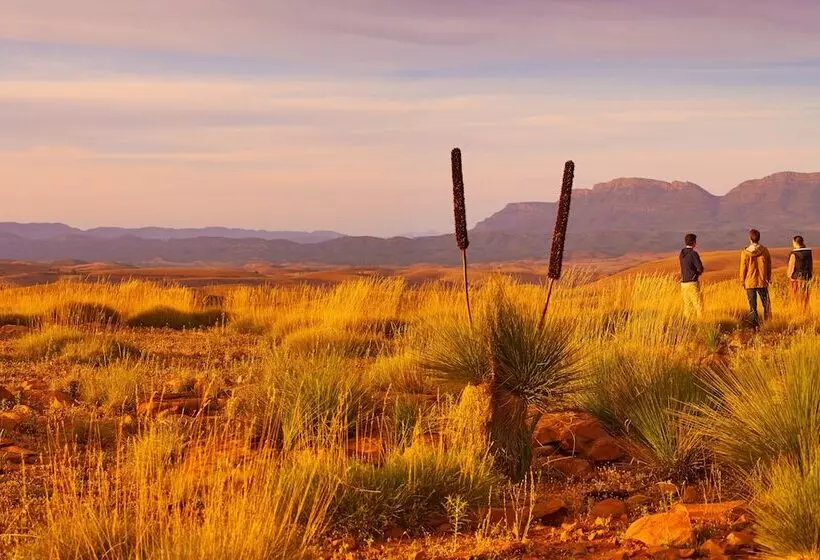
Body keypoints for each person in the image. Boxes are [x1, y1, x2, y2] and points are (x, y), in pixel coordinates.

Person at [739, 229, 772, 327]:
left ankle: (754, 327)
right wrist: (768, 278)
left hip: (749, 282)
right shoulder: (764, 250)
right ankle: (768, 324)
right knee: (767, 305)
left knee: (752, 307)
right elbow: (769, 266)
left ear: (750, 238)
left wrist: (742, 281)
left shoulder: (745, 252)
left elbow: (742, 268)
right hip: (762, 281)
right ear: (759, 238)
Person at [679, 233, 704, 318]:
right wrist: (697, 274)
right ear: (694, 242)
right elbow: (700, 268)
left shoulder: (682, 254)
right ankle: (701, 323)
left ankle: (688, 324)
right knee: (698, 304)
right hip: (692, 282)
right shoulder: (693, 254)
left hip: (683, 282)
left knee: (687, 305)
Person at [787, 235, 813, 312]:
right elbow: (811, 265)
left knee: (797, 298)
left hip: (796, 279)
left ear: (795, 242)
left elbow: (791, 267)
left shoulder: (794, 254)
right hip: (807, 278)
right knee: (805, 298)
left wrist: (790, 276)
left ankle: (798, 313)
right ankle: (805, 312)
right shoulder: (808, 253)